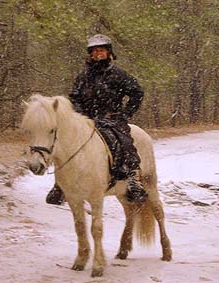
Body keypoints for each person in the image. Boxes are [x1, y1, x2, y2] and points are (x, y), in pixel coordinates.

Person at [46, 34, 147, 205]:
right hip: (86, 120)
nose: (97, 54)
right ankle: (60, 184)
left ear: (109, 53)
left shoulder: (118, 75)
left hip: (112, 120)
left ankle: (132, 179)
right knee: (65, 143)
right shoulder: (83, 77)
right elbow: (75, 97)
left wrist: (124, 113)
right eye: (94, 51)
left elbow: (137, 93)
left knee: (124, 142)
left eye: (101, 50)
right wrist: (79, 114)